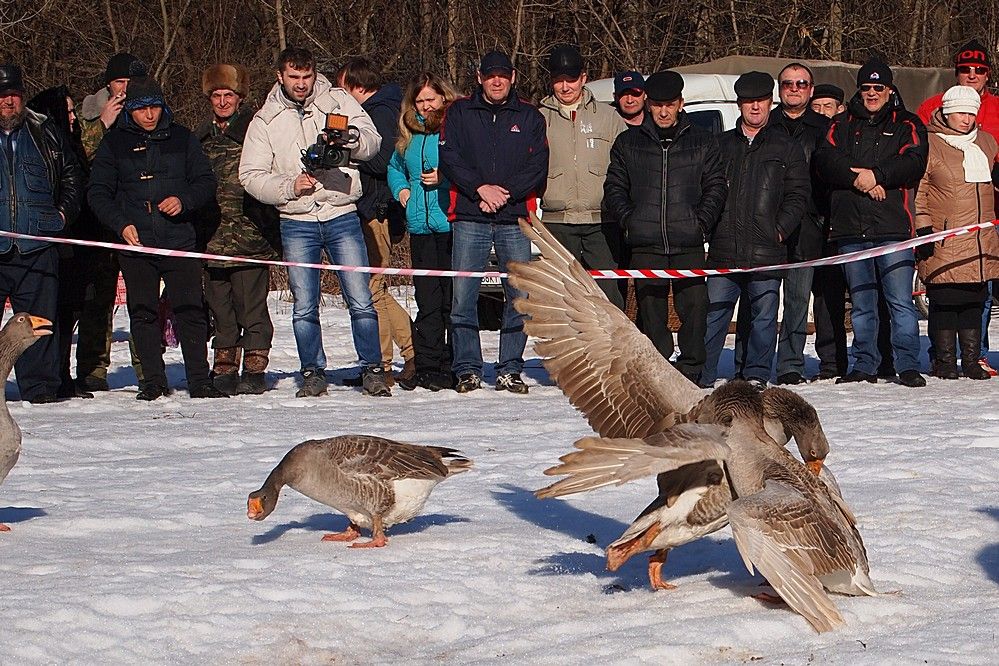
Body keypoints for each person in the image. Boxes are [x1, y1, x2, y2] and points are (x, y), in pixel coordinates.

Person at [239, 47, 386, 398]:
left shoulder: (338, 101)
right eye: (293, 77)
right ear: (280, 76)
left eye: (306, 77)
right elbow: (250, 175)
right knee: (304, 304)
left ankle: (372, 369)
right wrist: (289, 186)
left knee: (360, 299)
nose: (301, 84)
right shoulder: (265, 119)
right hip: (297, 219)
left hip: (340, 212)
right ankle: (313, 371)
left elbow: (374, 141)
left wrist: (351, 140)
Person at [87, 76, 225, 400]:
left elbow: (206, 182)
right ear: (130, 111)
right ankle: (152, 380)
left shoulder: (183, 138)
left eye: (154, 107)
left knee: (190, 309)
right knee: (143, 310)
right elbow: (98, 193)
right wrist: (120, 224)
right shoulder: (114, 144)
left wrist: (184, 200)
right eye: (141, 109)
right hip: (136, 242)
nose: (149, 115)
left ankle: (200, 380)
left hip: (179, 237)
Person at [603, 70, 726, 383]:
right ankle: (658, 367)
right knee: (651, 309)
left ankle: (692, 368)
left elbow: (715, 186)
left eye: (669, 104)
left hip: (689, 240)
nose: (663, 110)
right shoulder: (628, 143)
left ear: (680, 103)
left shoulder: (703, 141)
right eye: (657, 104)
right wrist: (630, 220)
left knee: (696, 306)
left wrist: (701, 222)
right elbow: (614, 188)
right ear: (648, 104)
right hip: (645, 241)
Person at [438, 50, 549, 394]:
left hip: (514, 217)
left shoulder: (530, 116)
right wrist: (480, 189)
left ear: (513, 77)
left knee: (518, 298)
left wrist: (506, 193)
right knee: (463, 299)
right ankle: (468, 369)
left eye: (502, 75)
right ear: (480, 78)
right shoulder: (459, 112)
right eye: (490, 75)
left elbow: (538, 165)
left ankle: (509, 368)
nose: (496, 81)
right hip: (470, 216)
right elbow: (449, 157)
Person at [814, 58, 929, 387]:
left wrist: (878, 175)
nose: (872, 93)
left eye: (879, 87)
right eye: (866, 87)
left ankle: (907, 363)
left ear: (890, 89)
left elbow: (913, 162)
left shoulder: (907, 122)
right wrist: (861, 180)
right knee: (862, 305)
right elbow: (825, 159)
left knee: (899, 303)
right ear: (859, 91)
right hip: (851, 228)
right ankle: (865, 363)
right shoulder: (841, 123)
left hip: (893, 229)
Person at [701, 71, 809, 389]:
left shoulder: (786, 147)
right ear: (739, 105)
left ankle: (757, 375)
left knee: (763, 319)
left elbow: (798, 194)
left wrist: (779, 230)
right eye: (748, 102)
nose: (755, 107)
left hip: (767, 249)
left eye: (760, 101)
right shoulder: (719, 145)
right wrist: (710, 227)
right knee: (714, 315)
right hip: (724, 247)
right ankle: (703, 374)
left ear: (770, 103)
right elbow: (706, 189)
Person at [0, 64, 84, 404]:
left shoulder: (46, 131)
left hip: (37, 245)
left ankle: (41, 389)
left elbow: (72, 178)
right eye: (2, 97)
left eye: (14, 96)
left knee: (39, 324)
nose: (8, 103)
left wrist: (63, 214)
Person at [197, 64, 282, 396]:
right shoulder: (200, 137)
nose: (221, 102)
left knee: (251, 305)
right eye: (216, 95)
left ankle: (255, 365)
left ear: (240, 97)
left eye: (228, 95)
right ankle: (225, 364)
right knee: (220, 306)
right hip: (212, 238)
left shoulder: (256, 131)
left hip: (250, 235)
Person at [917, 39, 999, 376]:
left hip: (984, 229)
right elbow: (919, 186)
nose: (972, 74)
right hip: (946, 230)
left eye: (979, 70)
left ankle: (974, 356)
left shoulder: (987, 136)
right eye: (965, 69)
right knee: (944, 298)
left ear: (987, 74)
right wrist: (922, 224)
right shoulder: (931, 120)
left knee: (977, 297)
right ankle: (944, 358)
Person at [337, 57, 415, 385]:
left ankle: (382, 365)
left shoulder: (379, 112)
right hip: (372, 208)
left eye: (342, 90)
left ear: (358, 86)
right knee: (376, 288)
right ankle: (413, 352)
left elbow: (384, 160)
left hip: (377, 210)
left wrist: (348, 151)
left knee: (372, 289)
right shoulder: (383, 108)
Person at [76, 52, 148, 393]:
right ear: (109, 84)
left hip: (138, 220)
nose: (125, 89)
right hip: (99, 222)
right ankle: (92, 367)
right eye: (120, 82)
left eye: (132, 83)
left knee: (142, 297)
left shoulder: (150, 114)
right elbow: (77, 160)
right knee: (97, 299)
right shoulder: (86, 115)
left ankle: (147, 365)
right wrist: (101, 124)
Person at [539, 44, 625, 308]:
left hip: (601, 221)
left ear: (584, 78)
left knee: (608, 298)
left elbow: (625, 166)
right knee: (560, 300)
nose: (565, 87)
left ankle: (611, 350)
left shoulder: (609, 116)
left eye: (571, 80)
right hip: (558, 221)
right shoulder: (539, 118)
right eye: (559, 81)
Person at [25, 86, 97, 400]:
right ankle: (52, 376)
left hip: (78, 238)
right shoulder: (43, 143)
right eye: (67, 111)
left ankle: (62, 375)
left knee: (70, 310)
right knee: (55, 311)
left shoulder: (69, 145)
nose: (73, 117)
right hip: (51, 243)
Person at [388, 72, 458, 392]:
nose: (426, 105)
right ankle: (428, 364)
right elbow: (394, 168)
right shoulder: (408, 132)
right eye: (420, 101)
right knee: (426, 298)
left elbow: (467, 167)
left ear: (443, 98)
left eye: (431, 98)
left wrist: (443, 178)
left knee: (451, 299)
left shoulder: (455, 126)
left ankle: (453, 363)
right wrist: (402, 191)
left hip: (450, 224)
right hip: (420, 226)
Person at [808, 83, 850, 381]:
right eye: (817, 106)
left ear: (840, 109)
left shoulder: (847, 136)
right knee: (801, 299)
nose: (822, 112)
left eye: (828, 106)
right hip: (806, 222)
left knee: (831, 299)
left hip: (839, 224)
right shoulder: (805, 134)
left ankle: (833, 361)